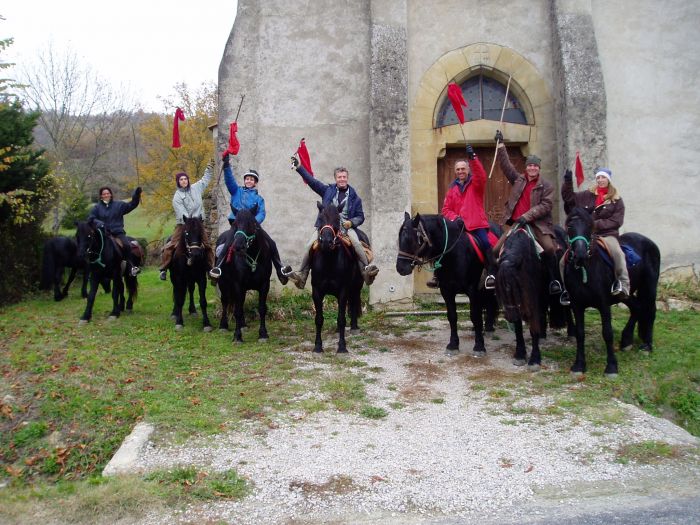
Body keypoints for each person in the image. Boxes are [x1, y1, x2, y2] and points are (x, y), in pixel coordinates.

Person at [487, 130, 562, 294]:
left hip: (537, 225)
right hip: (515, 224)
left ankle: (555, 282)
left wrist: (526, 217)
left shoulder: (547, 186)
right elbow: (506, 165)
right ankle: (492, 278)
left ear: (539, 168)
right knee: (494, 250)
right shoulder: (518, 179)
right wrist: (500, 145)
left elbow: (546, 206)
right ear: (526, 167)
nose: (532, 168)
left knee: (550, 249)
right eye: (529, 165)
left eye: (535, 165)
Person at [287, 157, 379, 288]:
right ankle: (302, 276)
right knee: (309, 245)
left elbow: (360, 216)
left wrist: (351, 223)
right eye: (339, 177)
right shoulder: (327, 191)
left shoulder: (355, 198)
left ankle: (365, 271)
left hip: (345, 228)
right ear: (335, 179)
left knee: (357, 244)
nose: (342, 179)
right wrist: (300, 168)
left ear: (347, 178)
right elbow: (312, 181)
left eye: (344, 177)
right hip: (326, 227)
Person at [208, 153, 291, 284]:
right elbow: (229, 180)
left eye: (252, 179)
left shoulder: (259, 199)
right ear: (244, 180)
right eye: (247, 179)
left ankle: (280, 269)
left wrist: (253, 223)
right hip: (237, 226)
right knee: (226, 243)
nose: (249, 181)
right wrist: (226, 166)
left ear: (255, 183)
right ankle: (218, 268)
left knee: (271, 243)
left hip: (253, 227)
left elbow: (262, 213)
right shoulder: (236, 191)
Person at [559, 167, 629, 305]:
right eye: (598, 178)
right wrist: (567, 182)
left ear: (608, 180)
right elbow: (569, 199)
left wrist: (593, 224)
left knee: (618, 253)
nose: (600, 180)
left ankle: (623, 284)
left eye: (603, 178)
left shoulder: (617, 200)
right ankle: (566, 290)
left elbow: (616, 221)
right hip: (588, 236)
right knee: (563, 261)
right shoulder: (587, 195)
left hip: (607, 235)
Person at [432, 145, 494, 288]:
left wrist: (473, 158)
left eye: (463, 169)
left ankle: (491, 273)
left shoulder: (476, 184)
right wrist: (455, 218)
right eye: (458, 169)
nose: (461, 171)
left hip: (476, 225)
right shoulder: (452, 189)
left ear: (468, 170)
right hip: (457, 227)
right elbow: (445, 210)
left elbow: (481, 175)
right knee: (440, 245)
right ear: (455, 171)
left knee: (485, 243)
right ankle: (437, 275)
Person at [158, 161, 216, 280]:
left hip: (199, 224)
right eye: (181, 180)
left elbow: (205, 179)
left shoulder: (196, 188)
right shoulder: (177, 197)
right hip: (183, 224)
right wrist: (191, 222)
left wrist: (209, 168)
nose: (184, 181)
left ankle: (211, 269)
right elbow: (182, 213)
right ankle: (164, 268)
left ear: (188, 180)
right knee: (171, 245)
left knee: (207, 245)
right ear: (178, 182)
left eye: (185, 179)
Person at [88, 185, 142, 276]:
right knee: (91, 246)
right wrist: (99, 223)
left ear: (111, 194)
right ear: (101, 196)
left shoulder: (119, 205)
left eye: (108, 193)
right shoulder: (97, 207)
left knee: (126, 245)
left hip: (117, 233)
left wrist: (136, 195)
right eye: (104, 194)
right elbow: (91, 218)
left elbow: (132, 205)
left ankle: (131, 267)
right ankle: (91, 270)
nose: (106, 195)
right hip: (103, 234)